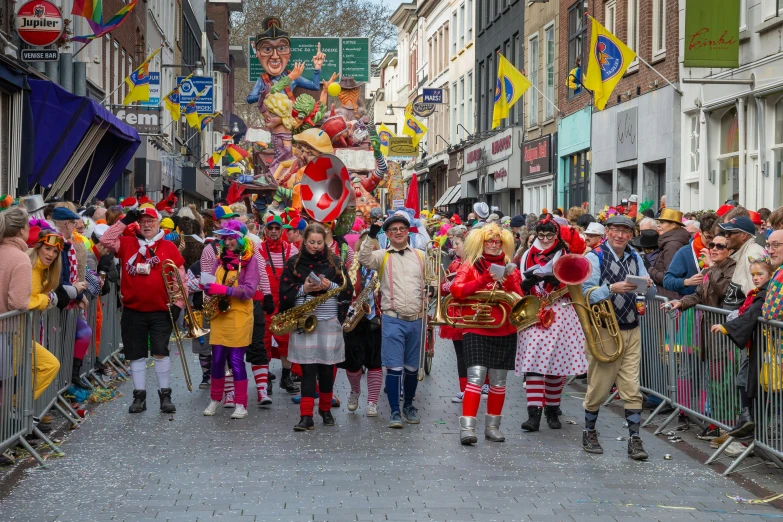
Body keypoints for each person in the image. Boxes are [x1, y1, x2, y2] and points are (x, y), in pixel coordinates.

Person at [101, 207, 187, 414]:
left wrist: (178, 305)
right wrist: (124, 221)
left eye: (151, 221)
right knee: (136, 354)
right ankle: (139, 397)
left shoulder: (168, 246)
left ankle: (165, 395)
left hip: (161, 310)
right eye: (143, 221)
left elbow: (179, 278)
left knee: (160, 351)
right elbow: (105, 240)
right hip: (133, 310)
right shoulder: (128, 243)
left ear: (158, 223)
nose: (147, 224)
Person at [581, 215, 653, 460]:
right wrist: (611, 289)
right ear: (607, 232)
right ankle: (589, 430)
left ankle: (635, 439)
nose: (620, 235)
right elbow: (585, 293)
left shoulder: (636, 257)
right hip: (604, 328)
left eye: (625, 231)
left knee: (632, 388)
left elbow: (647, 286)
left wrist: (647, 285)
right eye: (615, 231)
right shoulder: (595, 256)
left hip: (632, 326)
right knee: (599, 387)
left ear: (631, 235)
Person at [450, 224, 522, 445]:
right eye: (489, 241)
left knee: (499, 381)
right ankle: (467, 428)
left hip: (503, 328)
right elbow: (456, 290)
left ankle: (492, 427)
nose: (493, 245)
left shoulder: (510, 267)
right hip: (476, 326)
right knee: (476, 377)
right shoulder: (470, 264)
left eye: (497, 242)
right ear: (481, 243)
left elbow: (519, 297)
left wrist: (508, 281)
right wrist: (483, 280)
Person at [516, 215, 588, 432]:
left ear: (557, 235)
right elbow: (519, 282)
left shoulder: (566, 254)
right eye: (541, 235)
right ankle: (534, 414)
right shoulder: (528, 254)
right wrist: (526, 283)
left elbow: (577, 281)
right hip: (535, 311)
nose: (545, 239)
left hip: (561, 312)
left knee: (557, 366)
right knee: (534, 365)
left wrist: (559, 280)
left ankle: (552, 409)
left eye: (550, 235)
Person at [279, 224, 353, 430]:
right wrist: (304, 288)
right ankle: (306, 415)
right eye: (311, 242)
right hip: (305, 322)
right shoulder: (294, 263)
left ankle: (326, 409)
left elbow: (347, 290)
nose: (315, 246)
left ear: (325, 241)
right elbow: (284, 290)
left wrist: (329, 285)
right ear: (304, 240)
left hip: (329, 321)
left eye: (319, 242)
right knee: (308, 371)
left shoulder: (335, 262)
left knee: (328, 370)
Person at [359, 211, 426, 428]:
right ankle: (395, 411)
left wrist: (431, 293)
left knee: (412, 368)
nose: (398, 232)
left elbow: (431, 281)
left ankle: (408, 405)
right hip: (392, 318)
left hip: (416, 319)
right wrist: (371, 235)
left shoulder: (420, 256)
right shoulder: (383, 255)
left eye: (402, 229)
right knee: (394, 368)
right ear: (387, 234)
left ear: (408, 232)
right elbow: (363, 258)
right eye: (393, 230)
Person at [201, 221, 260, 419]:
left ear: (241, 239)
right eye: (225, 238)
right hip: (220, 314)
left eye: (232, 237)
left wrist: (225, 290)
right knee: (217, 360)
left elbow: (250, 290)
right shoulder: (219, 259)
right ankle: (215, 399)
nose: (228, 241)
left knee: (236, 361)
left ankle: (241, 404)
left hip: (239, 316)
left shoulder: (250, 260)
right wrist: (206, 285)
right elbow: (210, 279)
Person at [711, 256, 773, 439]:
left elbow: (752, 315)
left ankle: (753, 427)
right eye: (752, 274)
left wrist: (727, 327)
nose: (755, 277)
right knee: (743, 380)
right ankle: (746, 419)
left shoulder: (764, 294)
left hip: (765, 349)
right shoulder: (757, 293)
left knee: (757, 385)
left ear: (769, 274)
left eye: (760, 274)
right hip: (753, 346)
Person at [52, 206, 96, 389]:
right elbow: (59, 278)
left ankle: (72, 377)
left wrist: (78, 295)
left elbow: (73, 274)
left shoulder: (70, 245)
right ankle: (61, 384)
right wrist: (76, 292)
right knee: (55, 346)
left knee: (83, 333)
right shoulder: (58, 245)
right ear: (68, 224)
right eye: (74, 224)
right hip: (56, 302)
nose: (77, 228)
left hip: (68, 299)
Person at [340, 231, 383, 416]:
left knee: (375, 362)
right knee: (352, 363)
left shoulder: (382, 268)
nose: (369, 249)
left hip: (375, 318)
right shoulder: (349, 266)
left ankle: (372, 402)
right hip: (354, 319)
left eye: (372, 245)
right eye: (365, 245)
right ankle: (355, 390)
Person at [258, 214, 300, 393]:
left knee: (286, 342)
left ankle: (286, 377)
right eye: (270, 228)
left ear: (282, 230)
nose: (274, 231)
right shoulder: (257, 249)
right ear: (265, 230)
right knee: (263, 342)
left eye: (277, 228)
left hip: (284, 304)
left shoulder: (292, 250)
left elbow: (298, 275)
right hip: (265, 304)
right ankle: (264, 377)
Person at [26, 231, 64, 398]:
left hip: (22, 333)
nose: (51, 254)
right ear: (39, 247)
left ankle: (15, 409)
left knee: (50, 365)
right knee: (49, 365)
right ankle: (15, 409)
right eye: (48, 249)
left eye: (55, 251)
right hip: (12, 333)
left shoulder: (42, 271)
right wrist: (44, 299)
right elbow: (22, 302)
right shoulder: (30, 268)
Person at [667, 232, 736, 311]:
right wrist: (681, 302)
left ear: (730, 251)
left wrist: (711, 266)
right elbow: (699, 295)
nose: (714, 249)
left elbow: (724, 291)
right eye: (712, 245)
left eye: (720, 246)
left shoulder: (734, 268)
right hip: (708, 320)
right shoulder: (709, 268)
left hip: (724, 321)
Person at [663, 213, 717, 298]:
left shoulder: (722, 251)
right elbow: (667, 281)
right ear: (699, 232)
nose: (712, 242)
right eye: (708, 237)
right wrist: (687, 282)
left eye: (715, 238)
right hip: (691, 307)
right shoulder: (685, 252)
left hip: (714, 306)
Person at [440, 234, 467, 402]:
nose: (454, 247)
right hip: (456, 313)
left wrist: (455, 285)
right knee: (461, 354)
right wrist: (449, 285)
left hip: (474, 313)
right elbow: (443, 288)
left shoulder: (475, 264)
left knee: (476, 353)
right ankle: (463, 389)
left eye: (457, 244)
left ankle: (484, 385)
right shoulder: (455, 263)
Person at [721, 216, 767, 310]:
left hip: (743, 320)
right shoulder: (746, 252)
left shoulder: (752, 255)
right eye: (725, 232)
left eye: (730, 232)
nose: (726, 236)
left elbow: (755, 296)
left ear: (743, 235)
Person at [647, 209, 690, 299]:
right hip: (670, 296)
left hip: (670, 298)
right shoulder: (672, 242)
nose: (658, 225)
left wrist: (650, 270)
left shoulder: (672, 245)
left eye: (662, 222)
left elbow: (668, 278)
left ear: (673, 225)